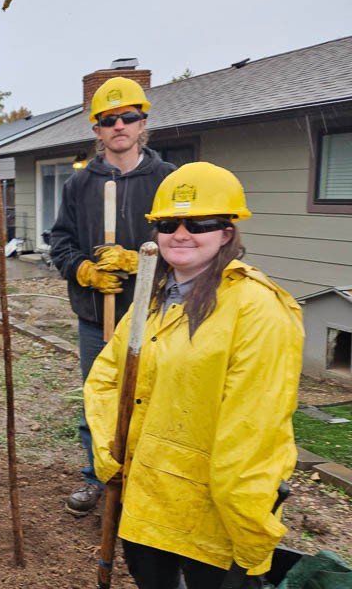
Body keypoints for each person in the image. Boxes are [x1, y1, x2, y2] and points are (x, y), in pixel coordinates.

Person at [85, 162, 303, 588]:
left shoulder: (257, 311)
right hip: (146, 498)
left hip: (213, 514)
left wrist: (251, 530)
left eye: (199, 222)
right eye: (168, 223)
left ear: (227, 232)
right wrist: (110, 446)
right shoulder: (151, 299)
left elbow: (254, 432)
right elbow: (106, 379)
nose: (180, 233)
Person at [49, 76, 176, 516]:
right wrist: (82, 269)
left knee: (151, 405)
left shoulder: (168, 181)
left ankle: (142, 486)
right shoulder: (78, 186)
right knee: (97, 401)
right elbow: (60, 241)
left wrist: (144, 261)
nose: (119, 125)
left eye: (128, 117)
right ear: (97, 130)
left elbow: (187, 246)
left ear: (143, 123)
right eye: (109, 120)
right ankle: (97, 479)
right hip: (96, 320)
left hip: (155, 317)